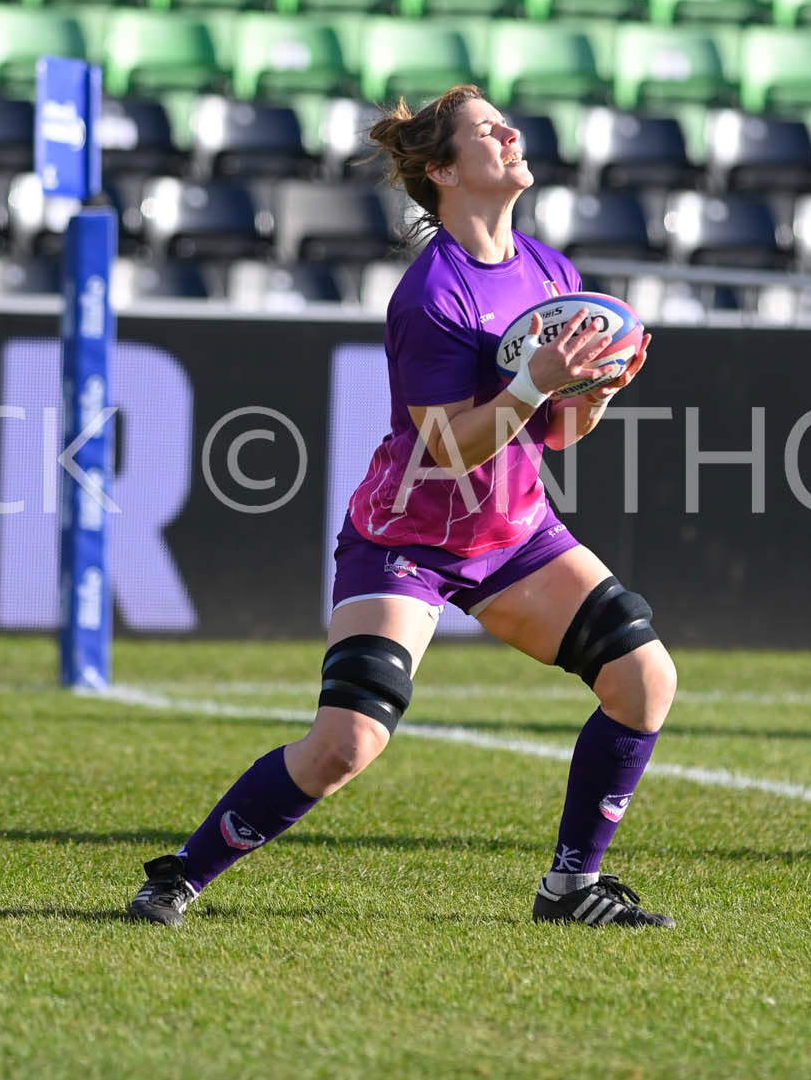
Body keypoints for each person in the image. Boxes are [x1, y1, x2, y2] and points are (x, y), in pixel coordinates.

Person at [129, 85, 677, 931]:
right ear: (443, 170)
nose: (510, 132)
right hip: (407, 542)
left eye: (507, 122)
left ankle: (570, 890)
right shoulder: (431, 294)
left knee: (642, 680)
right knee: (345, 744)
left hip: (514, 532)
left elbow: (559, 434)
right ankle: (179, 877)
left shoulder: (549, 271)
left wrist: (598, 389)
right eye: (486, 129)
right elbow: (447, 448)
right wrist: (538, 381)